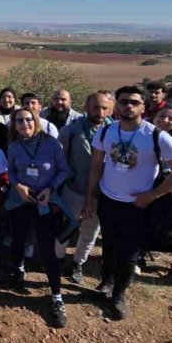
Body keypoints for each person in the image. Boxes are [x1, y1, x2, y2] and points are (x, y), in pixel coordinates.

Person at [83, 86, 172, 320]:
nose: (127, 106)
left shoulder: (156, 135)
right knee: (109, 246)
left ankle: (119, 295)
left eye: (133, 102)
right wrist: (90, 198)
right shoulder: (106, 132)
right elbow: (96, 166)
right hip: (109, 199)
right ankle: (106, 283)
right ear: (116, 106)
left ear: (144, 106)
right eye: (123, 102)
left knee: (129, 252)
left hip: (138, 205)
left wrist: (152, 195)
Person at [6, 108, 70, 327]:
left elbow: (64, 170)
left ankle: (56, 296)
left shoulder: (51, 143)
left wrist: (51, 188)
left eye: (28, 119)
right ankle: (19, 269)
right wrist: (18, 186)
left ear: (36, 121)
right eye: (19, 121)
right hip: (22, 199)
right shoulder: (14, 146)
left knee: (47, 247)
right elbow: (11, 171)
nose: (25, 124)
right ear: (14, 125)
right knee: (19, 237)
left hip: (46, 200)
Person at [58, 91, 114, 285]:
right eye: (96, 107)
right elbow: (60, 161)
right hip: (73, 190)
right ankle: (58, 260)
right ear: (86, 108)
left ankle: (77, 263)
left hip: (102, 193)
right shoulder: (70, 132)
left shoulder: (116, 133)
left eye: (104, 108)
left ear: (110, 109)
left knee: (90, 231)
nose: (100, 111)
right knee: (64, 228)